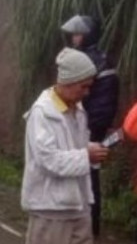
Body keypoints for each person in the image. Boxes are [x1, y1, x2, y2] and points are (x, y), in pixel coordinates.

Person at [21, 47, 107, 244]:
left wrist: (92, 150)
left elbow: (74, 147)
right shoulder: (42, 113)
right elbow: (48, 160)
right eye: (83, 87)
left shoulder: (77, 110)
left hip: (78, 204)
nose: (87, 93)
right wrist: (86, 156)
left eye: (89, 87)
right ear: (68, 82)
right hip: (51, 209)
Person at [61, 14, 119, 238]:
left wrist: (88, 135)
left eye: (78, 34)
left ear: (88, 35)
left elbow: (103, 106)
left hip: (89, 132)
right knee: (80, 179)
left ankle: (89, 230)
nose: (74, 38)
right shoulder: (87, 59)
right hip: (83, 129)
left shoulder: (95, 62)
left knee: (89, 181)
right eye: (74, 34)